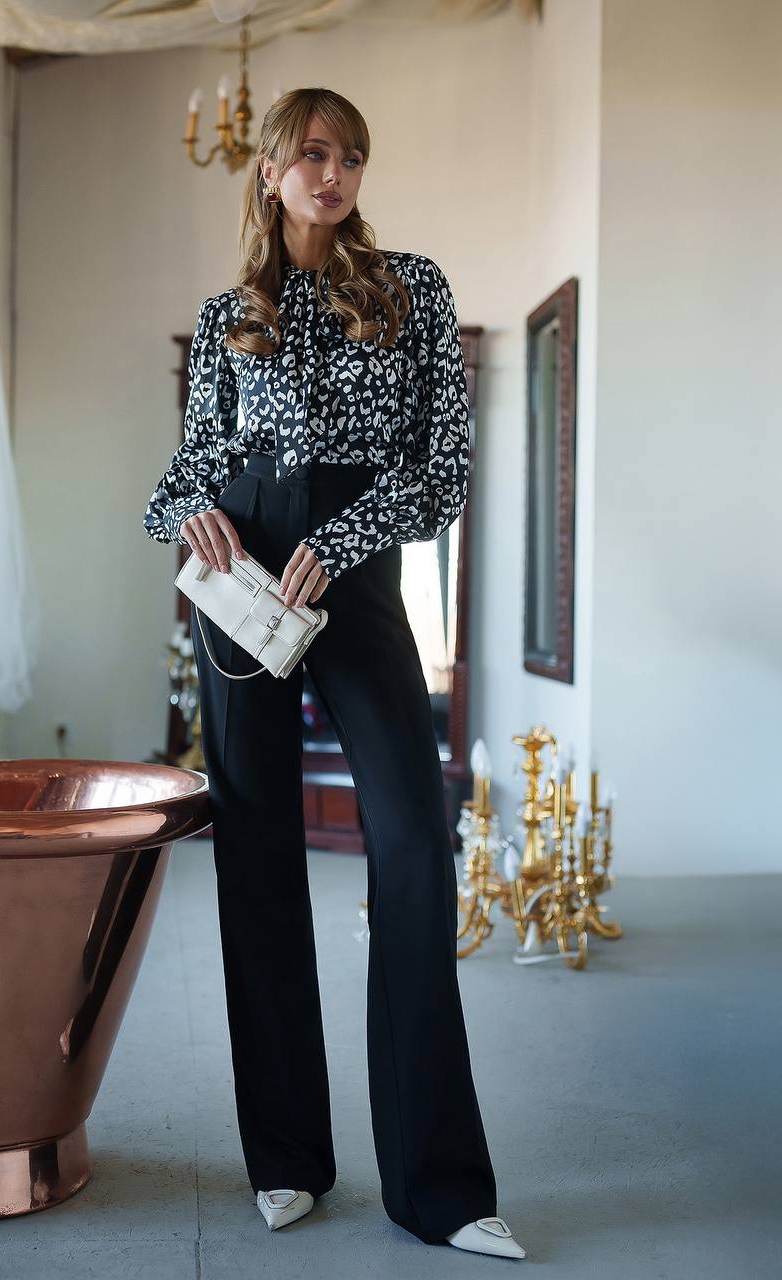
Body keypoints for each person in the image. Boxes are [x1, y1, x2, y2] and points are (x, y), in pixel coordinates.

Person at [142, 87, 526, 1261]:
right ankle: (286, 1157)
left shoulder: (411, 289)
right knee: (255, 853)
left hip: (349, 578)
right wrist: (191, 512)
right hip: (243, 580)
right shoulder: (228, 315)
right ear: (268, 169)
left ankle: (440, 1187)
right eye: (312, 153)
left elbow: (442, 471)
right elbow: (185, 472)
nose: (334, 172)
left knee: (412, 838)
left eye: (351, 155)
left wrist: (344, 537)